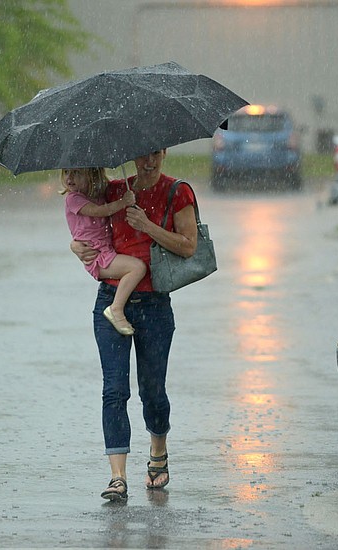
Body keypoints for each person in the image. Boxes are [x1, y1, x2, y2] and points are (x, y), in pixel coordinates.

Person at [70, 150, 198, 501]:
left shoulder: (177, 192)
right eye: (141, 156)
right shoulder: (113, 192)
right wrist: (74, 245)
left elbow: (189, 246)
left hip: (155, 305)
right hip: (111, 301)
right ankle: (118, 478)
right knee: (114, 390)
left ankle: (158, 451)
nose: (148, 162)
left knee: (152, 391)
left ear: (164, 153)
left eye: (155, 154)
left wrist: (148, 226)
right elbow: (82, 221)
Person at [62, 167, 147, 335]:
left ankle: (118, 306)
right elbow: (99, 211)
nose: (69, 177)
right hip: (96, 256)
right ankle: (116, 309)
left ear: (92, 174)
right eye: (66, 172)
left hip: (105, 250)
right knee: (137, 268)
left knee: (135, 267)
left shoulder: (97, 195)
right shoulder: (73, 199)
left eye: (77, 173)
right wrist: (124, 202)